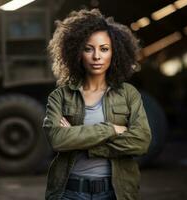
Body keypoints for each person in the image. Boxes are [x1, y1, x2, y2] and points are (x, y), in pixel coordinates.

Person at [43, 9, 151, 200]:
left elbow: (141, 141)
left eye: (104, 48)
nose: (96, 56)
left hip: (114, 192)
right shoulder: (60, 96)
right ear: (76, 52)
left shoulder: (128, 94)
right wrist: (110, 129)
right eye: (88, 48)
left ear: (115, 52)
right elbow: (57, 139)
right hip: (69, 192)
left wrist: (83, 143)